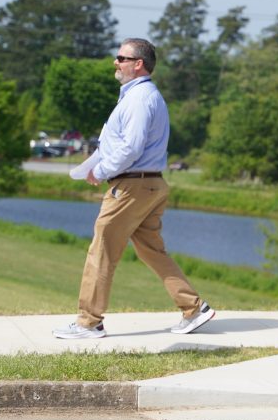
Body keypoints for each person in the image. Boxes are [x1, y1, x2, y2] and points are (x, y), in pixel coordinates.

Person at [53, 38, 214, 339]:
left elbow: (131, 147)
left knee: (101, 250)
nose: (116, 62)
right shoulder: (138, 97)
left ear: (138, 64)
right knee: (152, 250)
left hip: (131, 187)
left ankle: (89, 322)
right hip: (147, 184)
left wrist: (100, 171)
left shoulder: (140, 98)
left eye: (121, 58)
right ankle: (194, 308)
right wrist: (95, 165)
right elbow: (121, 144)